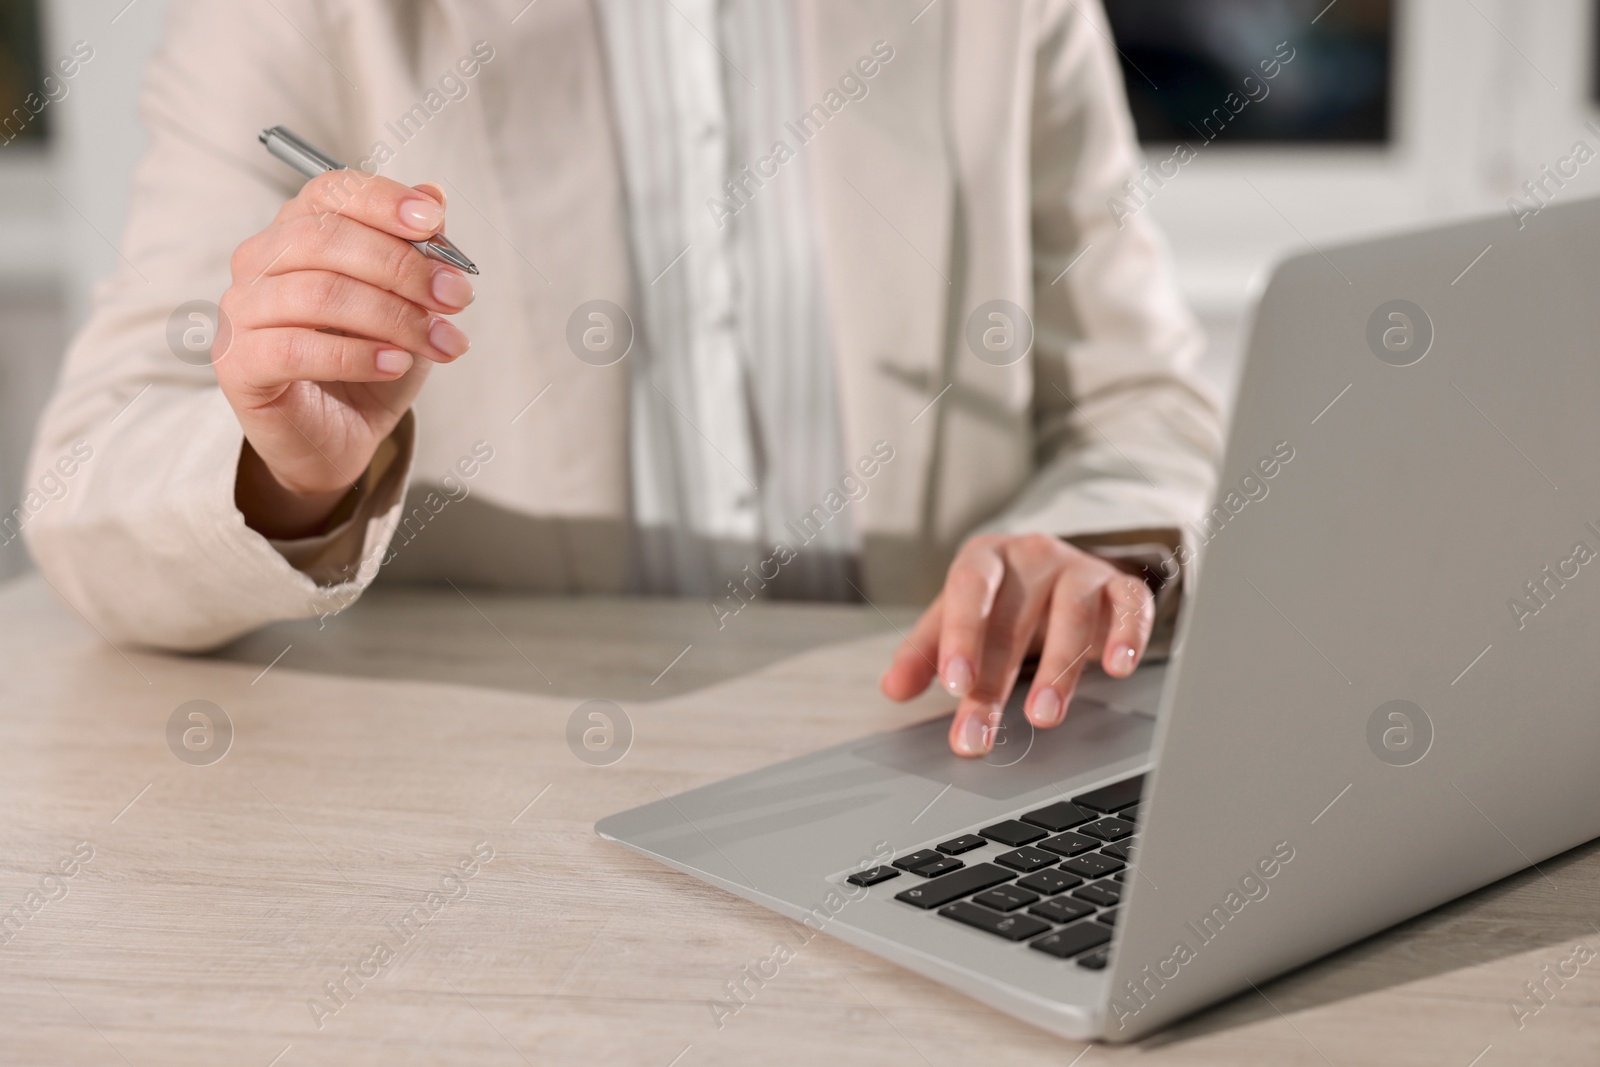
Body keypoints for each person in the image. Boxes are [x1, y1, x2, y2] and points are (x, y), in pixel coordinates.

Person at [23, 0, 1221, 758]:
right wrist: (284, 471)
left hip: (931, 754)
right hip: (500, 801)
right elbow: (87, 486)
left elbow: (1143, 404)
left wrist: (1087, 551)